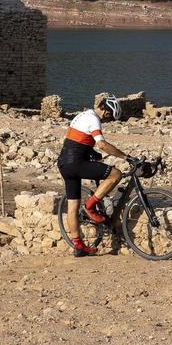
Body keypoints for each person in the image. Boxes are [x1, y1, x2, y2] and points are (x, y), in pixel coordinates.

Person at [57, 94, 132, 257]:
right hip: (76, 163)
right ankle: (90, 206)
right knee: (115, 174)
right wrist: (125, 157)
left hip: (64, 164)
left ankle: (78, 247)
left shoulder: (81, 115)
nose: (107, 119)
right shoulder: (94, 119)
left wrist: (92, 153)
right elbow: (102, 144)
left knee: (72, 208)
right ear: (105, 109)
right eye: (108, 115)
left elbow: (77, 141)